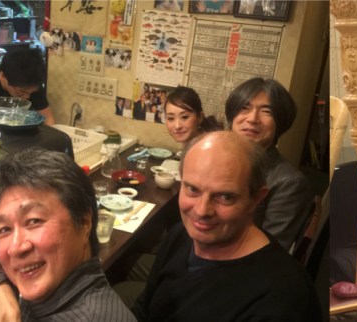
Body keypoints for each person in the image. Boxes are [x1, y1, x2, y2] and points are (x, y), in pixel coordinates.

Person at [132, 131, 320, 321]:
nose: (202, 211)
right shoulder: (180, 236)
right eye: (192, 189)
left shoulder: (282, 301)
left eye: (225, 197)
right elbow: (144, 308)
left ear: (256, 198)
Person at [0, 148, 135, 321]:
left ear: (84, 223)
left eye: (34, 221)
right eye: (4, 229)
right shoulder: (51, 294)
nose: (16, 247)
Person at [225, 77, 312, 251]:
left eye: (266, 112)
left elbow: (270, 250)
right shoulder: (221, 160)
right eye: (244, 108)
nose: (252, 118)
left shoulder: (289, 182)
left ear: (280, 123)